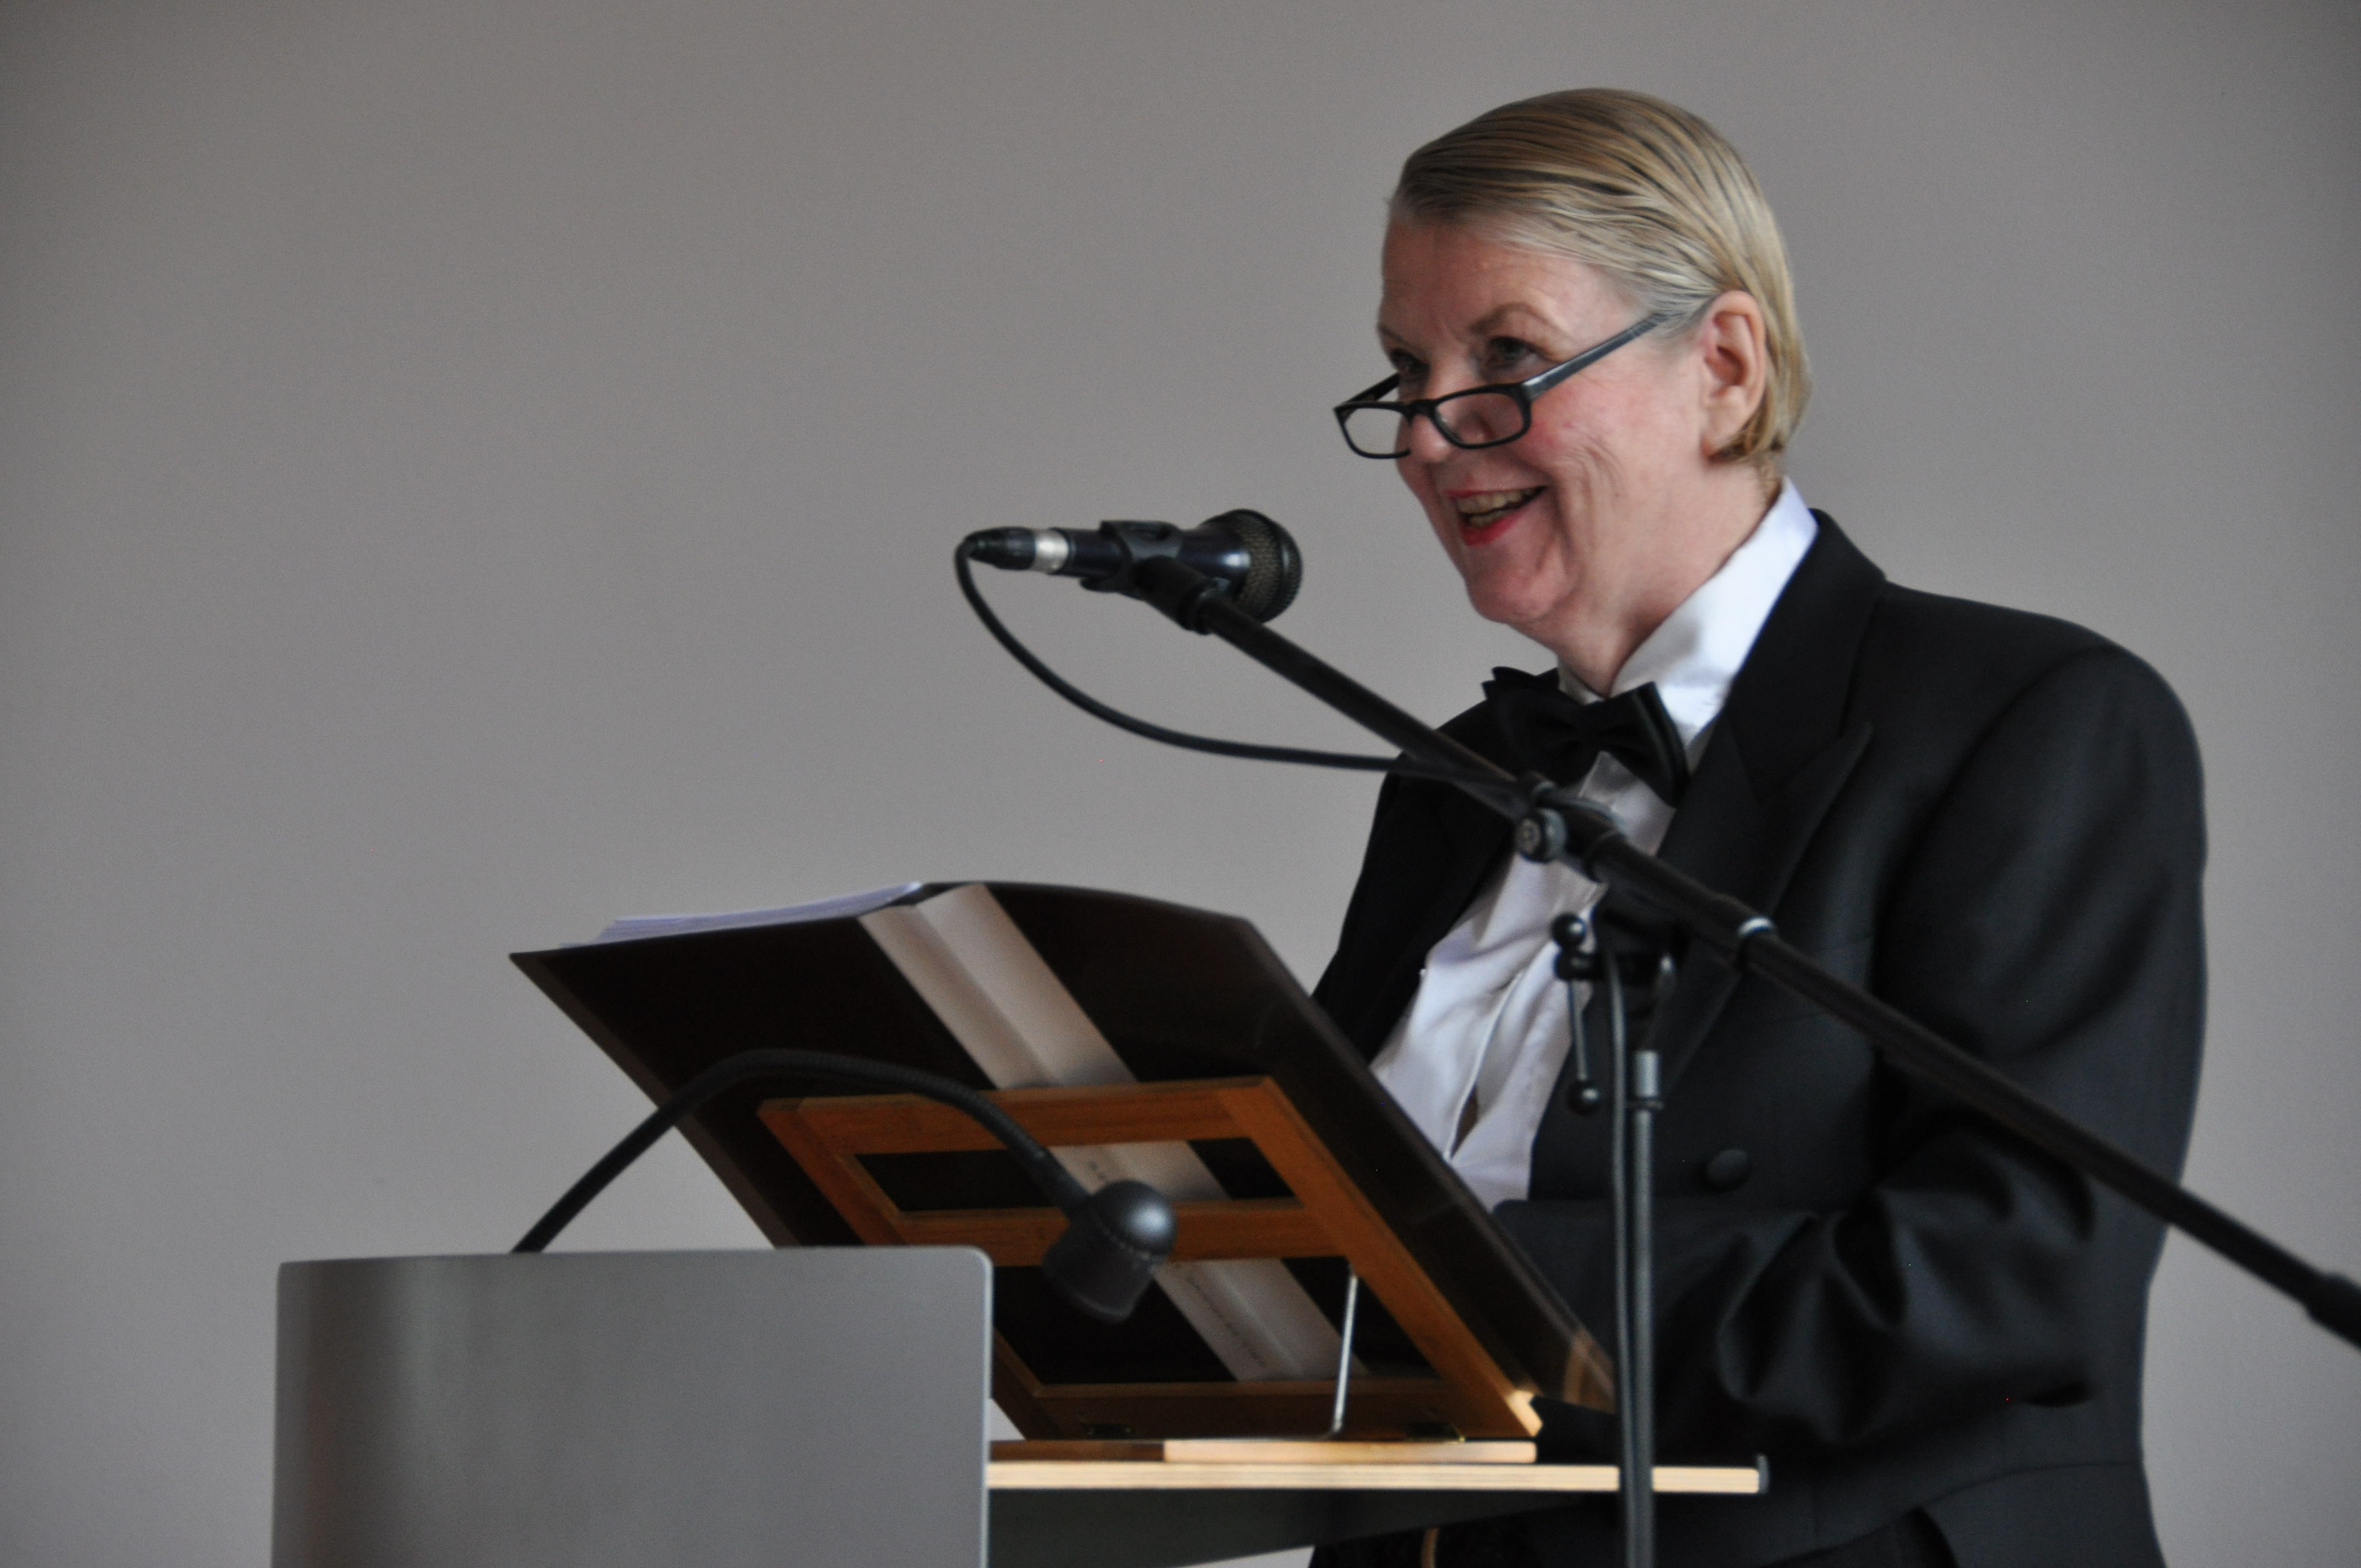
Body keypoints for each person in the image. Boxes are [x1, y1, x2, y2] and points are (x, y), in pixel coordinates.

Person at [1308, 90, 2203, 1568]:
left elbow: (2018, 1273)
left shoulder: (2030, 718)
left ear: (1723, 368)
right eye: (1410, 369)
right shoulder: (1455, 780)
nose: (1426, 435)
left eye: (1508, 357)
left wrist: (1453, 1291)